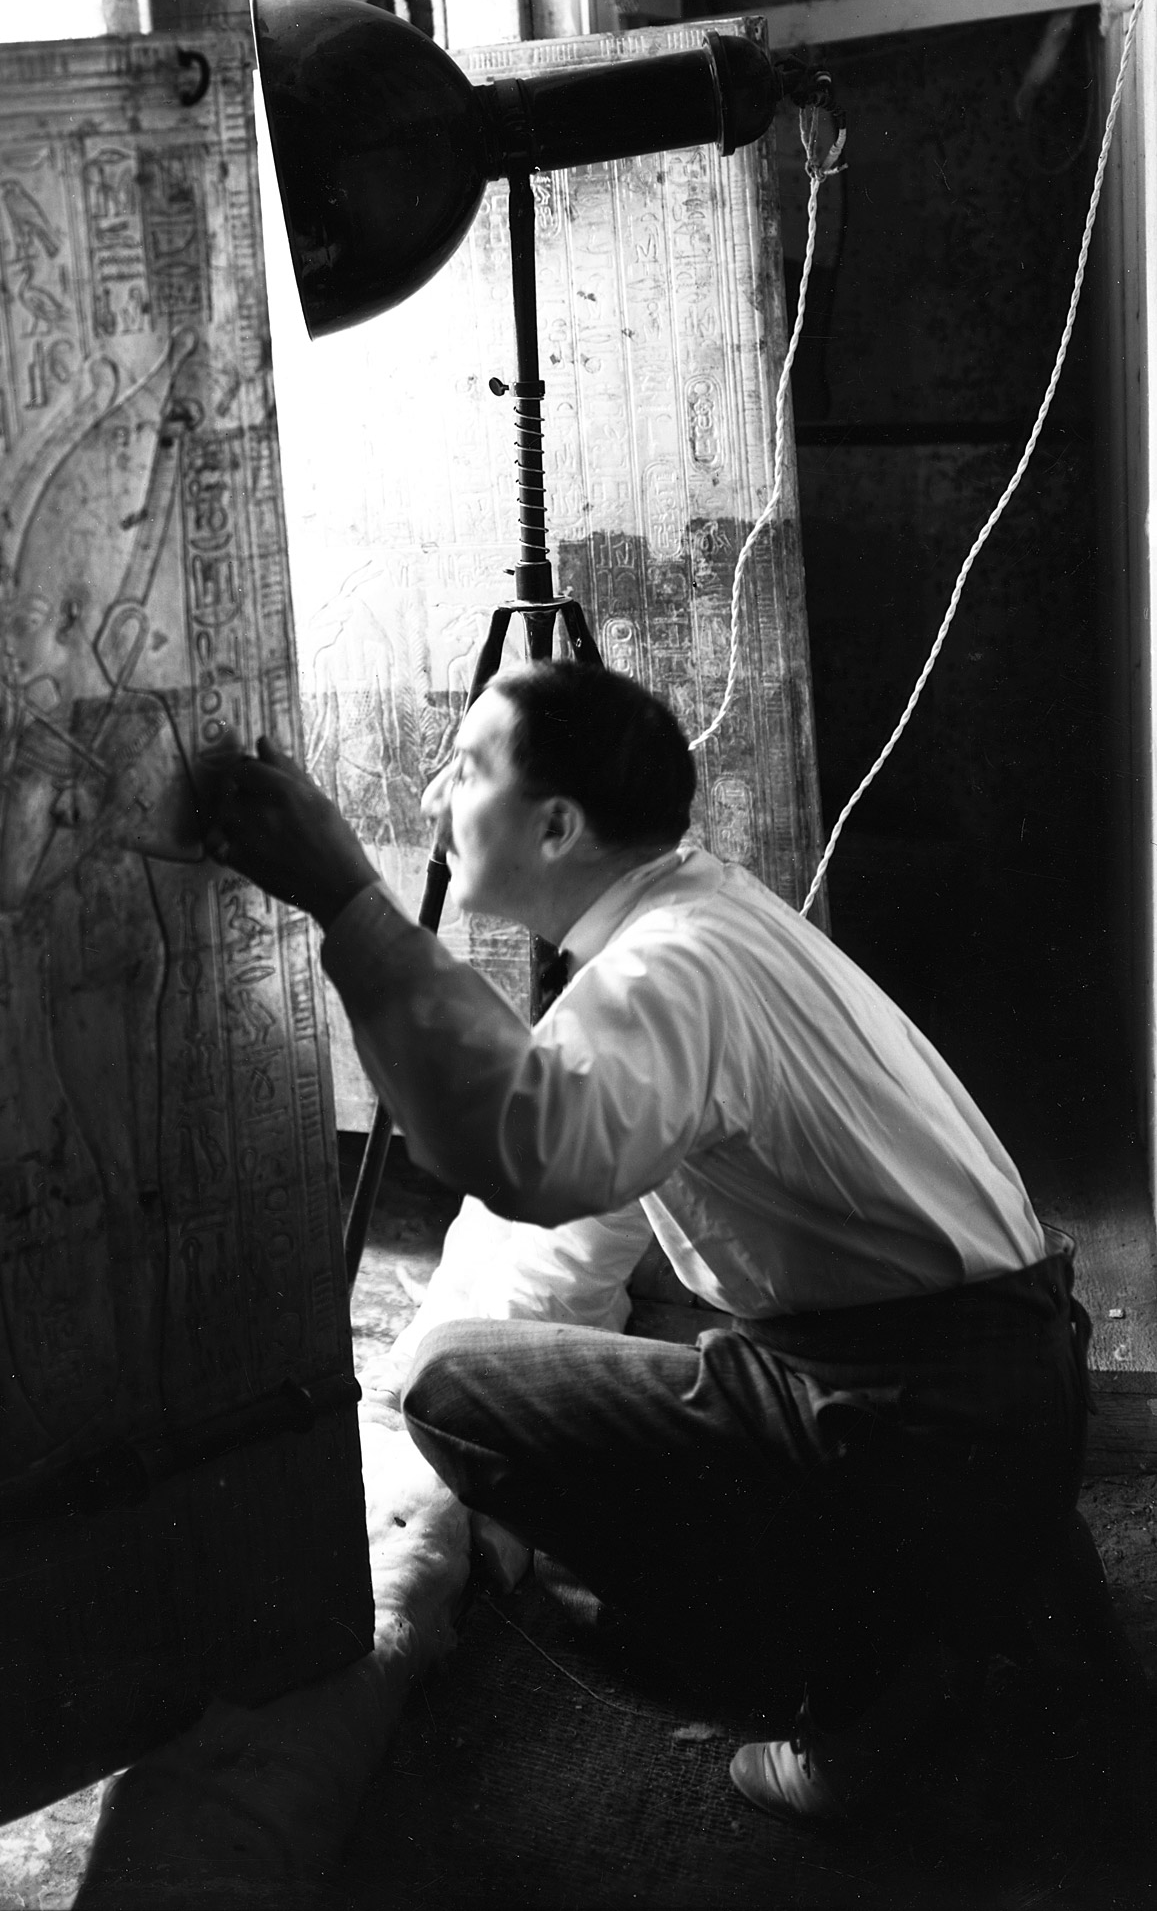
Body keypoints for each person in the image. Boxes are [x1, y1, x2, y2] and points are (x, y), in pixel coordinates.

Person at [194, 660, 1090, 1824]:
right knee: (532, 1353)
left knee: (456, 1394)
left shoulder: (668, 969)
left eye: (463, 769)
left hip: (921, 1418)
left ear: (557, 823)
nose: (427, 797)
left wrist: (347, 898)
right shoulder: (700, 912)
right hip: (1003, 1389)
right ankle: (961, 1598)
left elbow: (530, 1152)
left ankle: (864, 1695)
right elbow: (563, 1231)